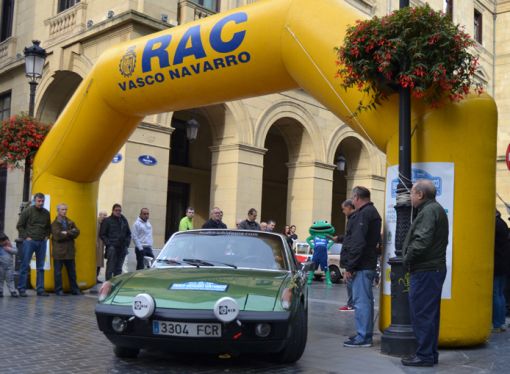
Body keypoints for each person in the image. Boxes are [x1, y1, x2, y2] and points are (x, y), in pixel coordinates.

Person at [401, 179, 449, 367]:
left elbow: (421, 241)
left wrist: (406, 259)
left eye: (412, 193)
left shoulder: (429, 211)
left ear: (420, 194)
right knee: (429, 314)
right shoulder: (434, 209)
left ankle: (424, 355)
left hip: (425, 271)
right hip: (431, 270)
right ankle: (429, 354)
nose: (410, 196)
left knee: (422, 314)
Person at [340, 186, 381, 347]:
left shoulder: (364, 214)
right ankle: (364, 334)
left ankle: (363, 337)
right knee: (365, 301)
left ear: (356, 197)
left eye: (352, 197)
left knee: (361, 302)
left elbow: (358, 242)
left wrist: (350, 267)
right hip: (366, 263)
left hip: (361, 266)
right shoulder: (372, 212)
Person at [16, 192, 51, 297]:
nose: (41, 203)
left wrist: (47, 236)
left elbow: (48, 226)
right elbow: (20, 225)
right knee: (25, 265)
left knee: (41, 267)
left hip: (42, 242)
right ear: (35, 201)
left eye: (42, 201)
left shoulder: (46, 213)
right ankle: (21, 289)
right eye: (39, 201)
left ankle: (40, 289)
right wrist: (26, 237)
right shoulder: (28, 211)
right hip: (30, 242)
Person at [51, 203, 81, 296]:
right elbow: (58, 236)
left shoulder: (70, 221)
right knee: (58, 273)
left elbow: (77, 232)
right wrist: (70, 233)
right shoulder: (55, 223)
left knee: (72, 272)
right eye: (62, 209)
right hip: (59, 252)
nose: (64, 211)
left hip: (69, 251)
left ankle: (74, 289)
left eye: (65, 209)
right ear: (58, 211)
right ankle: (59, 290)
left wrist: (66, 233)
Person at [100, 204, 131, 280]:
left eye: (119, 210)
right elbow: (102, 234)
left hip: (122, 248)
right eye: (116, 210)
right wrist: (109, 244)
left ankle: (116, 284)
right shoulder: (107, 221)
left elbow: (128, 233)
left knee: (119, 268)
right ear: (113, 211)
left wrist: (126, 244)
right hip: (112, 248)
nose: (118, 212)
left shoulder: (124, 220)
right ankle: (108, 283)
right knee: (110, 267)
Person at [493, 210, 510, 332]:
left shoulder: (495, 224)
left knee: (496, 294)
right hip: (503, 264)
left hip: (497, 264)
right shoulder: (502, 223)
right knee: (500, 294)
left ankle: (497, 324)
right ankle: (501, 322)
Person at [338, 199, 356, 312]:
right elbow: (349, 237)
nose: (343, 212)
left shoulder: (354, 219)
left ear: (349, 207)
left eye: (343, 209)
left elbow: (353, 242)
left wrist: (349, 267)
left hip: (351, 260)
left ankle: (351, 304)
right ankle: (352, 303)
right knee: (350, 283)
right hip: (350, 260)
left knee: (350, 282)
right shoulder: (352, 219)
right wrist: (338, 238)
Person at [0, 233, 18, 297]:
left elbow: (16, 251)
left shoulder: (11, 244)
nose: (2, 244)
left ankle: (12, 291)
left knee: (10, 278)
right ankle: (0, 291)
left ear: (6, 240)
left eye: (3, 242)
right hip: (1, 266)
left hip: (9, 266)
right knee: (0, 279)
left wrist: (9, 249)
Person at [96, 210, 107, 283]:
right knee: (96, 262)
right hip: (97, 245)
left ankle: (96, 278)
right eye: (104, 215)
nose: (105, 217)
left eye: (106, 215)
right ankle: (94, 278)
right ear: (100, 215)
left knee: (99, 263)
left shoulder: (103, 223)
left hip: (101, 245)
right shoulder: (97, 223)